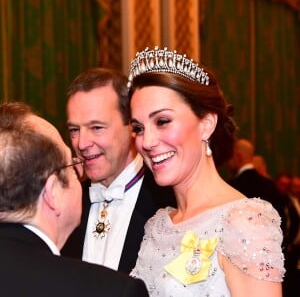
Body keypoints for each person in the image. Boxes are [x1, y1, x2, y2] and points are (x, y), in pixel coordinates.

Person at [127, 47, 285, 296]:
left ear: (207, 124)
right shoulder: (158, 225)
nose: (146, 141)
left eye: (162, 121)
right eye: (138, 127)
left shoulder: (244, 221)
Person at [0, 102, 149, 297]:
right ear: (52, 192)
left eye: (96, 127)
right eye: (71, 165)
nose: (80, 171)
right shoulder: (112, 291)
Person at [61, 67, 176, 273]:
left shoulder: (171, 203)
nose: (82, 143)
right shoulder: (64, 206)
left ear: (132, 127)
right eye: (74, 130)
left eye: (97, 127)